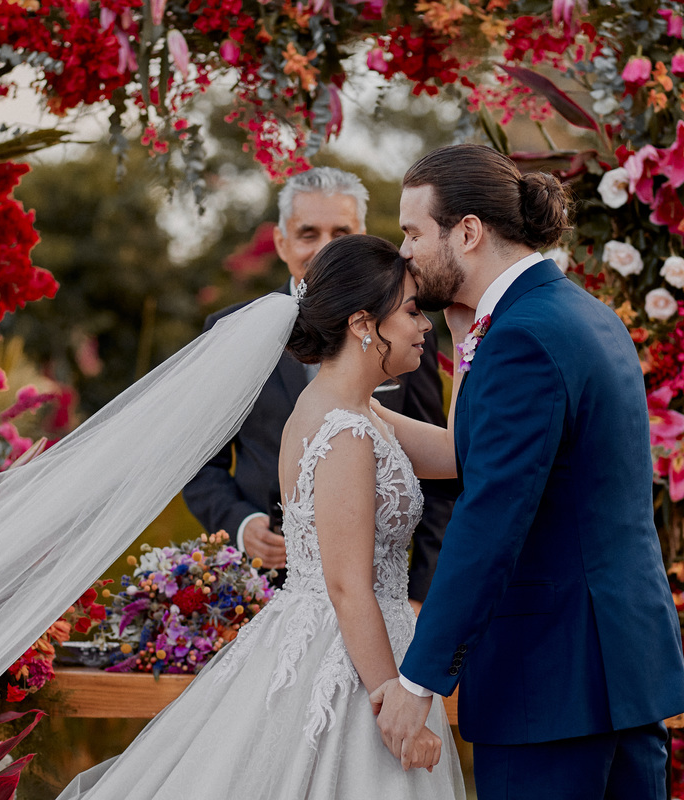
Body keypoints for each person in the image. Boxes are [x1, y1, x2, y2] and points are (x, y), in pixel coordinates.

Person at [55, 234, 465, 798]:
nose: (426, 327)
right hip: (353, 657)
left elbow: (455, 453)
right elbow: (348, 586)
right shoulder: (344, 431)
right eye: (415, 311)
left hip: (354, 636)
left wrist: (469, 340)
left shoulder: (354, 409)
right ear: (364, 323)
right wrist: (389, 698)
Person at [368, 144, 684, 799]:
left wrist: (419, 680)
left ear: (467, 231)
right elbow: (501, 466)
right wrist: (463, 350)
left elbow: (492, 514)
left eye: (412, 232)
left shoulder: (522, 339)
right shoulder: (584, 316)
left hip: (551, 686)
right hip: (620, 678)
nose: (403, 252)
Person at [183, 167, 452, 608]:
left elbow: (439, 481)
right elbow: (196, 461)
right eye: (308, 233)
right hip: (261, 591)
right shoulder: (231, 332)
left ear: (361, 237)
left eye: (341, 232)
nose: (325, 248)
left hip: (385, 592)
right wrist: (241, 522)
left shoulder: (406, 332)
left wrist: (422, 595)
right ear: (281, 241)